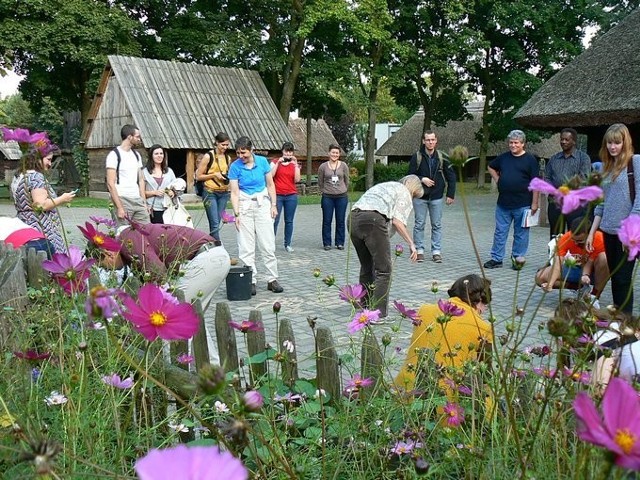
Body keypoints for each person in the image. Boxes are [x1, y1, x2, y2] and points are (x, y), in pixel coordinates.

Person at [91, 222, 230, 362]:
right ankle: (212, 366)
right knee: (193, 317)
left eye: (106, 267)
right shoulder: (128, 247)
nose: (111, 271)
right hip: (214, 256)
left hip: (206, 259)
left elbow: (157, 272)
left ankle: (176, 365)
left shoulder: (127, 237)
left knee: (172, 319)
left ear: (108, 254)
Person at [395, 274, 493, 392]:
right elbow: (485, 373)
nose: (483, 311)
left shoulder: (424, 309)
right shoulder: (483, 328)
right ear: (480, 299)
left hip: (405, 388)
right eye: (485, 306)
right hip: (447, 396)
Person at [349, 175, 423, 317]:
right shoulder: (404, 191)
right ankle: (378, 313)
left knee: (367, 265)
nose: (412, 199)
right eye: (414, 195)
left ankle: (364, 303)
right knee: (384, 270)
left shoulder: (387, 185)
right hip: (372, 220)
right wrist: (412, 244)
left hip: (353, 218)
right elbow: (397, 222)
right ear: (412, 188)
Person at [586, 123, 640, 314]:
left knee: (624, 278)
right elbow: (601, 204)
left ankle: (627, 324)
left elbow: (639, 201)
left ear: (625, 143)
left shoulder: (636, 162)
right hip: (608, 231)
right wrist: (592, 233)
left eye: (617, 142)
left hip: (627, 233)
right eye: (609, 143)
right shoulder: (605, 168)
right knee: (616, 278)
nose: (613, 146)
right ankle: (620, 319)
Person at [228, 136, 283, 295]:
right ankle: (250, 279)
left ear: (251, 150)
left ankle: (272, 279)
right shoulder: (235, 167)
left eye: (243, 152)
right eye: (238, 153)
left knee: (267, 243)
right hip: (245, 205)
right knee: (246, 246)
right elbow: (234, 192)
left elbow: (271, 185)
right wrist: (237, 214)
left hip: (262, 204)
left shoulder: (262, 162)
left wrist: (273, 205)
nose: (241, 156)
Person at [484, 130, 540, 269]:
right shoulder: (503, 158)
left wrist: (534, 203)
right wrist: (497, 179)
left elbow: (536, 183)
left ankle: (517, 259)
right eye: (511, 142)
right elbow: (490, 166)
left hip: (523, 204)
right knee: (500, 232)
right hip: (503, 203)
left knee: (521, 233)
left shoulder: (530, 160)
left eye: (516, 143)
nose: (513, 145)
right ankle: (496, 258)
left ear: (523, 144)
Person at [11, 148, 75, 254]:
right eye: (48, 159)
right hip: (41, 229)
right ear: (37, 159)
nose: (50, 163)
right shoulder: (36, 177)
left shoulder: (20, 176)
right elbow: (40, 205)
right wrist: (63, 198)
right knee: (51, 264)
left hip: (24, 227)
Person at [408, 131, 456, 263]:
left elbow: (451, 176)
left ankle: (436, 251)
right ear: (423, 141)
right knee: (419, 224)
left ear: (436, 141)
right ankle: (419, 250)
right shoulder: (416, 157)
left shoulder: (442, 157)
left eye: (432, 139)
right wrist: (422, 178)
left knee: (437, 224)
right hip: (420, 196)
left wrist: (450, 194)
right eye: (428, 140)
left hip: (437, 196)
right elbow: (409, 176)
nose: (430, 142)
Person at [535, 217, 608, 298]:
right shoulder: (565, 238)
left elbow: (590, 262)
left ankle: (594, 296)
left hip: (595, 272)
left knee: (604, 258)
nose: (576, 243)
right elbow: (558, 263)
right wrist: (550, 284)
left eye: (580, 241)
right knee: (540, 277)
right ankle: (577, 287)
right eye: (573, 240)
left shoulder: (599, 238)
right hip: (575, 268)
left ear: (590, 235)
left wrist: (585, 275)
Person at [544, 128, 591, 238]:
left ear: (574, 141)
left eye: (566, 139)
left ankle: (572, 256)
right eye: (561, 139)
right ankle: (555, 255)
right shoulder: (554, 159)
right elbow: (547, 177)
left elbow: (583, 178)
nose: (563, 142)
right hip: (556, 203)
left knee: (575, 235)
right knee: (555, 236)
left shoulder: (583, 158)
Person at [106, 124, 149, 227]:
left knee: (146, 230)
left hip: (137, 199)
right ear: (130, 137)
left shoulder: (136, 155)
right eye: (137, 136)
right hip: (122, 198)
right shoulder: (114, 155)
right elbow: (110, 183)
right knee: (123, 233)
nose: (139, 139)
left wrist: (143, 202)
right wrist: (119, 207)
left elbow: (141, 179)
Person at [196, 132, 232, 242]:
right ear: (216, 143)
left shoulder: (228, 158)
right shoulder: (208, 156)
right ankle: (218, 247)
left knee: (217, 221)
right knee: (215, 223)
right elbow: (198, 176)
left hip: (224, 193)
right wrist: (214, 175)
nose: (225, 147)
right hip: (210, 192)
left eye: (227, 145)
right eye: (223, 145)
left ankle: (212, 247)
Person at [318, 144, 349, 250]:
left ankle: (339, 242)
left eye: (337, 153)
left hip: (341, 197)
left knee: (340, 220)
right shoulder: (323, 166)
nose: (334, 154)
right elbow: (320, 181)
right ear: (329, 153)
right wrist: (325, 190)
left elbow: (346, 180)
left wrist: (343, 189)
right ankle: (327, 243)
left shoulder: (344, 165)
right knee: (327, 220)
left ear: (339, 154)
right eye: (333, 152)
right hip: (327, 197)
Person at [271, 141, 301, 252]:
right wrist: (278, 163)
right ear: (282, 152)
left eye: (290, 152)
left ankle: (287, 244)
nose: (288, 155)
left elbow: (297, 180)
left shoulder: (294, 164)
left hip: (291, 195)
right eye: (286, 152)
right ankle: (271, 243)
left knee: (289, 221)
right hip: (277, 195)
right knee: (275, 220)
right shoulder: (275, 162)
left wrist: (296, 165)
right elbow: (270, 176)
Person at [142, 144, 176, 224]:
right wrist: (154, 192)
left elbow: (176, 188)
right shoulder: (144, 172)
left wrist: (172, 192)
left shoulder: (169, 171)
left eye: (161, 153)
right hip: (152, 209)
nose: (159, 156)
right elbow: (141, 192)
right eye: (156, 154)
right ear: (151, 156)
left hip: (168, 208)